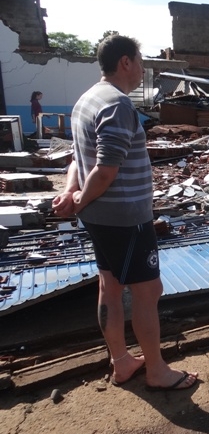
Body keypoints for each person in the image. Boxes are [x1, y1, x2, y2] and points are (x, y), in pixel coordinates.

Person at [52, 35, 198, 391]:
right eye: (141, 60)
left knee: (110, 286)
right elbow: (104, 171)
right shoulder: (117, 104)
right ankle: (157, 372)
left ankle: (121, 363)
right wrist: (80, 199)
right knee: (149, 292)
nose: (144, 68)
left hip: (101, 219)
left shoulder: (86, 99)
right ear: (125, 63)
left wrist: (72, 192)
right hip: (125, 218)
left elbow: (78, 159)